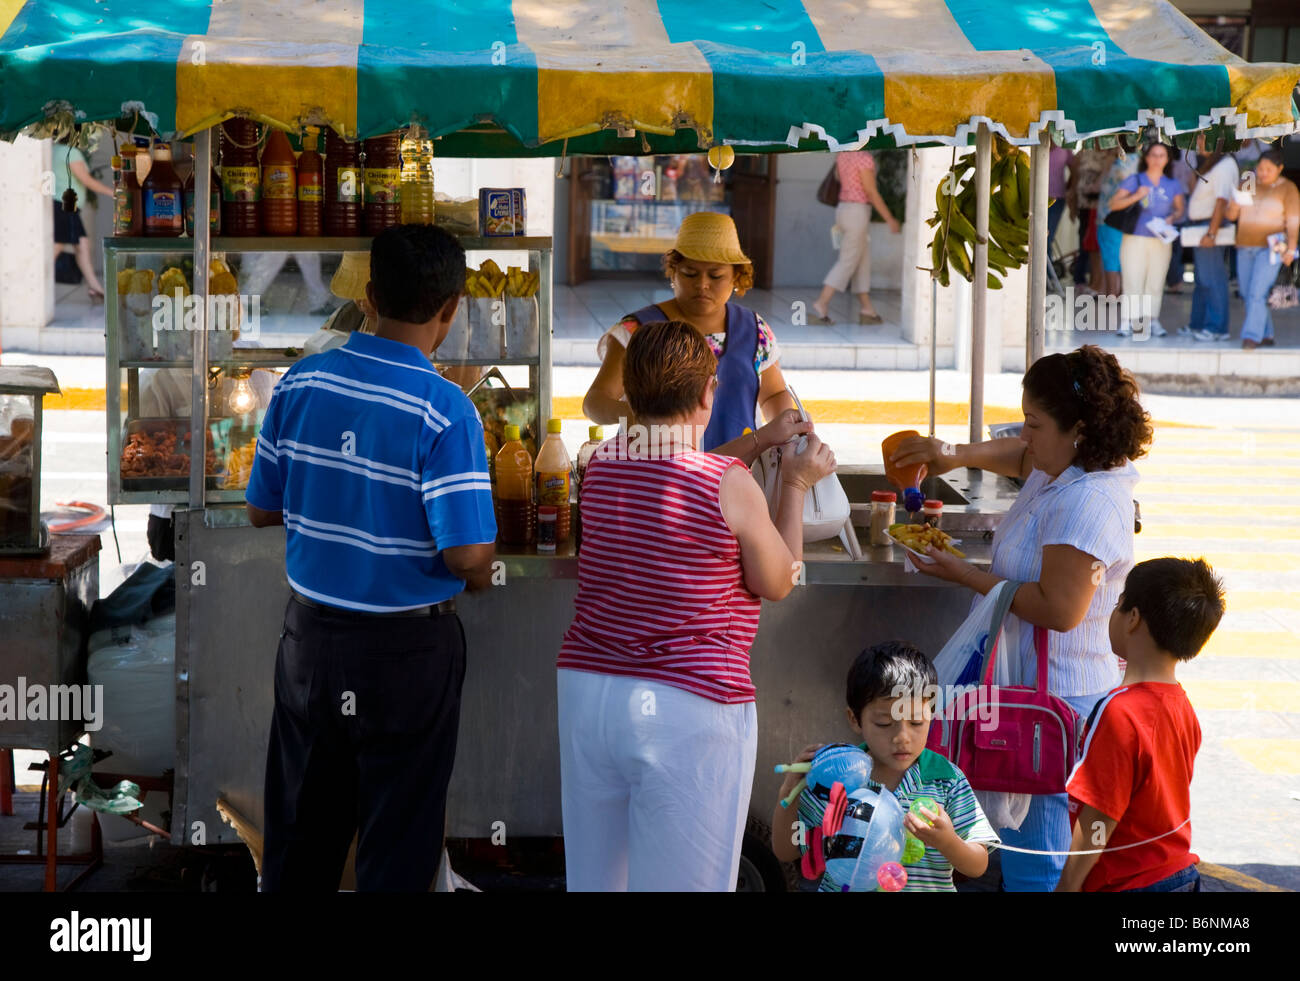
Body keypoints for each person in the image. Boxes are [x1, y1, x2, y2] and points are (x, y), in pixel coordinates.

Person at [245, 224, 497, 892]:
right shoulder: (446, 411)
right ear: (451, 309)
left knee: (301, 834)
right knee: (398, 842)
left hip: (309, 644)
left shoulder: (300, 383)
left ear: (371, 294)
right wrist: (480, 571)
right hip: (405, 655)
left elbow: (262, 506)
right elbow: (468, 550)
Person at [557, 319, 837, 891]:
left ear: (631, 394)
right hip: (688, 703)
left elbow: (673, 458)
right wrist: (795, 483)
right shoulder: (726, 483)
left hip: (589, 696)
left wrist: (759, 441)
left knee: (598, 881)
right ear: (709, 393)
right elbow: (779, 579)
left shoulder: (601, 463)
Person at [888, 344, 1154, 891]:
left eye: (1033, 423)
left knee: (1041, 859)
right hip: (1027, 687)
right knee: (1023, 846)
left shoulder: (1087, 502)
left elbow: (1060, 609)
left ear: (1078, 428)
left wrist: (961, 573)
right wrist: (952, 453)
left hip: (1055, 705)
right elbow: (1022, 459)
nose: (1024, 435)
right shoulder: (1066, 465)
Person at [771, 641, 998, 892]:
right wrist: (788, 795)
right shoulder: (838, 777)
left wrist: (948, 842)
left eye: (915, 722)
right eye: (883, 723)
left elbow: (978, 864)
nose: (902, 736)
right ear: (854, 719)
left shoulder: (946, 780)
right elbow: (786, 850)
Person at [583, 211, 808, 462]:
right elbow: (595, 402)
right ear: (673, 272)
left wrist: (792, 432)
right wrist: (634, 414)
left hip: (741, 475)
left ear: (736, 276)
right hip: (659, 478)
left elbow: (774, 394)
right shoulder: (637, 330)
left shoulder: (755, 331)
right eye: (690, 273)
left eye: (715, 275)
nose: (702, 284)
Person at [1057, 557, 1225, 892]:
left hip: (1129, 882)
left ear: (1133, 618)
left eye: (1119, 604)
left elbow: (1100, 818)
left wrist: (1068, 885)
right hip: (1178, 874)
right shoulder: (1181, 705)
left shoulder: (1119, 712)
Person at [810, 149, 901, 325]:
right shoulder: (864, 158)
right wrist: (889, 219)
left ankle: (867, 309)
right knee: (847, 261)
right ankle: (821, 304)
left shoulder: (842, 155)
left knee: (861, 260)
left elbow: (838, 178)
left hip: (843, 209)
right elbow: (871, 191)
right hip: (857, 212)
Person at [1107, 143, 1186, 337]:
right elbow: (1114, 204)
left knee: (1156, 280)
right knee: (1133, 278)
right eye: (1153, 155)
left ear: (1167, 159)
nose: (1157, 159)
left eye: (1162, 155)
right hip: (1135, 237)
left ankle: (1152, 321)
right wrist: (1136, 196)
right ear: (1146, 158)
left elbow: (1180, 209)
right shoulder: (1136, 180)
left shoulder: (1172, 183)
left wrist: (1172, 218)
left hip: (1160, 238)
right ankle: (1127, 321)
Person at [1226, 149, 1299, 350]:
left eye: (1268, 169)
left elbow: (1293, 222)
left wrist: (1291, 250)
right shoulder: (1248, 183)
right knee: (1248, 292)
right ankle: (1266, 333)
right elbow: (1232, 216)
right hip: (1244, 246)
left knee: (1257, 292)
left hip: (1271, 249)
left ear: (1280, 169)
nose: (1263, 173)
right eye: (1260, 168)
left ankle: (1252, 336)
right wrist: (1233, 205)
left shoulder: (1288, 188)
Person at [1179, 143, 1239, 342]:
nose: (1198, 144)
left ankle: (1217, 329)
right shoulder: (1215, 164)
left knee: (1213, 280)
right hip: (1202, 227)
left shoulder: (1225, 165)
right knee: (1203, 280)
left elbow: (1222, 201)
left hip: (1209, 228)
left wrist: (1212, 234)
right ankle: (1198, 324)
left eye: (1204, 139)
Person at [52, 136, 112, 300]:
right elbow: (86, 180)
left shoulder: (53, 150)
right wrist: (113, 193)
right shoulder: (70, 152)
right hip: (66, 204)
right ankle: (35, 278)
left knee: (82, 244)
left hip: (61, 203)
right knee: (57, 245)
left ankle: (94, 287)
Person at [1069, 148, 1116, 293]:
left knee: (1098, 246)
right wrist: (1072, 206)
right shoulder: (1083, 153)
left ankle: (1099, 284)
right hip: (1085, 204)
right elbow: (1074, 179)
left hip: (1100, 205)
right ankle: (1091, 281)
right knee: (1087, 243)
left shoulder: (1112, 154)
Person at [1095, 151, 1138, 301]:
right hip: (1120, 217)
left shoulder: (1122, 162)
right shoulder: (1139, 159)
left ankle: (1112, 294)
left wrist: (1107, 166)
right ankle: (1116, 293)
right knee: (1118, 256)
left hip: (1109, 216)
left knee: (1111, 256)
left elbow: (1120, 178)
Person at [1046, 144, 1076, 278]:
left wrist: (1070, 188)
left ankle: (1048, 274)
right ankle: (1046, 273)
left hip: (1057, 198)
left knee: (1047, 237)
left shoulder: (1065, 147)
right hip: (1034, 197)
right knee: (1038, 237)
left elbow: (1075, 170)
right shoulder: (1036, 141)